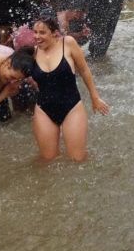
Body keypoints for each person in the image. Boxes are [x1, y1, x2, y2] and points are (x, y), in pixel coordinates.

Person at [31, 13, 109, 162]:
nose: (37, 36)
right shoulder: (33, 52)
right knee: (47, 160)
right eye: (35, 32)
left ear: (54, 33)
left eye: (42, 32)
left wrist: (95, 97)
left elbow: (84, 70)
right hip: (43, 110)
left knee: (77, 160)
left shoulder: (67, 43)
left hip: (71, 107)